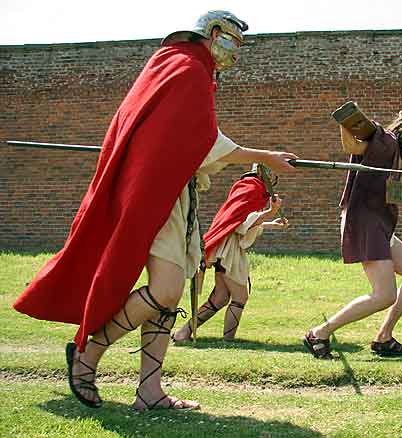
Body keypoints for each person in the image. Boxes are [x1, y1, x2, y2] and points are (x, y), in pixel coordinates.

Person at [13, 10, 297, 411]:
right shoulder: (188, 68)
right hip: (157, 192)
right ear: (214, 34)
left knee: (168, 295)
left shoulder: (175, 64)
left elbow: (185, 141)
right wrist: (264, 156)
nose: (235, 51)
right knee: (165, 291)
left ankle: (149, 391)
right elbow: (204, 141)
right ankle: (88, 355)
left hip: (167, 189)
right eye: (233, 40)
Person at [303, 107, 402, 359]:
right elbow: (352, 147)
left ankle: (383, 338)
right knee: (384, 295)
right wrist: (345, 121)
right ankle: (319, 333)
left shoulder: (394, 149)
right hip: (366, 223)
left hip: (379, 223)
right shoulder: (386, 141)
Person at [172, 165, 289, 342]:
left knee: (220, 298)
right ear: (259, 171)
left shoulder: (256, 189)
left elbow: (241, 222)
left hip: (226, 247)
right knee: (240, 296)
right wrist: (269, 212)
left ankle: (183, 333)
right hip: (229, 249)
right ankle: (228, 340)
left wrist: (271, 222)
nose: (273, 176)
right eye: (270, 171)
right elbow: (242, 223)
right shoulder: (251, 186)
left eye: (275, 173)